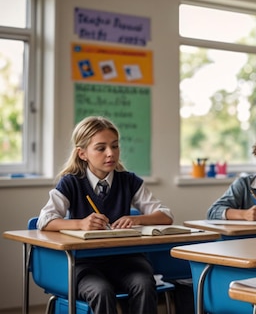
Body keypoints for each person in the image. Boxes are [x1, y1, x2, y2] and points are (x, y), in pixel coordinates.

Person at [37, 116, 173, 313]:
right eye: (101, 148)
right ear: (82, 154)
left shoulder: (129, 181)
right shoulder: (71, 183)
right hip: (85, 265)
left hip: (127, 261)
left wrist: (136, 219)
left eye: (115, 146)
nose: (111, 153)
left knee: (143, 284)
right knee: (101, 291)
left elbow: (165, 216)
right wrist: (81, 224)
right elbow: (44, 220)